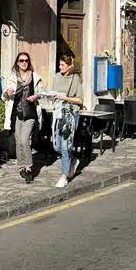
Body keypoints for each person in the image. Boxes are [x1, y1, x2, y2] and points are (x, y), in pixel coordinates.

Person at [2, 52, 43, 184]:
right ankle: (21, 167)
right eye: (21, 61)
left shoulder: (35, 77)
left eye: (26, 60)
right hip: (17, 114)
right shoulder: (12, 78)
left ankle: (29, 167)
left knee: (25, 140)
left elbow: (42, 93)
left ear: (29, 62)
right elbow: (4, 96)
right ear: (17, 63)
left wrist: (36, 96)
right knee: (18, 141)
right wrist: (7, 93)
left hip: (30, 113)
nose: (24, 63)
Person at [52, 54, 83, 188]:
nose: (60, 67)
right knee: (57, 146)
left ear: (70, 66)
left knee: (65, 146)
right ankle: (73, 160)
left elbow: (80, 100)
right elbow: (53, 94)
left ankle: (64, 177)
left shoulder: (76, 79)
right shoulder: (56, 77)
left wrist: (66, 98)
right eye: (59, 65)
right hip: (58, 114)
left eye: (62, 65)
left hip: (70, 114)